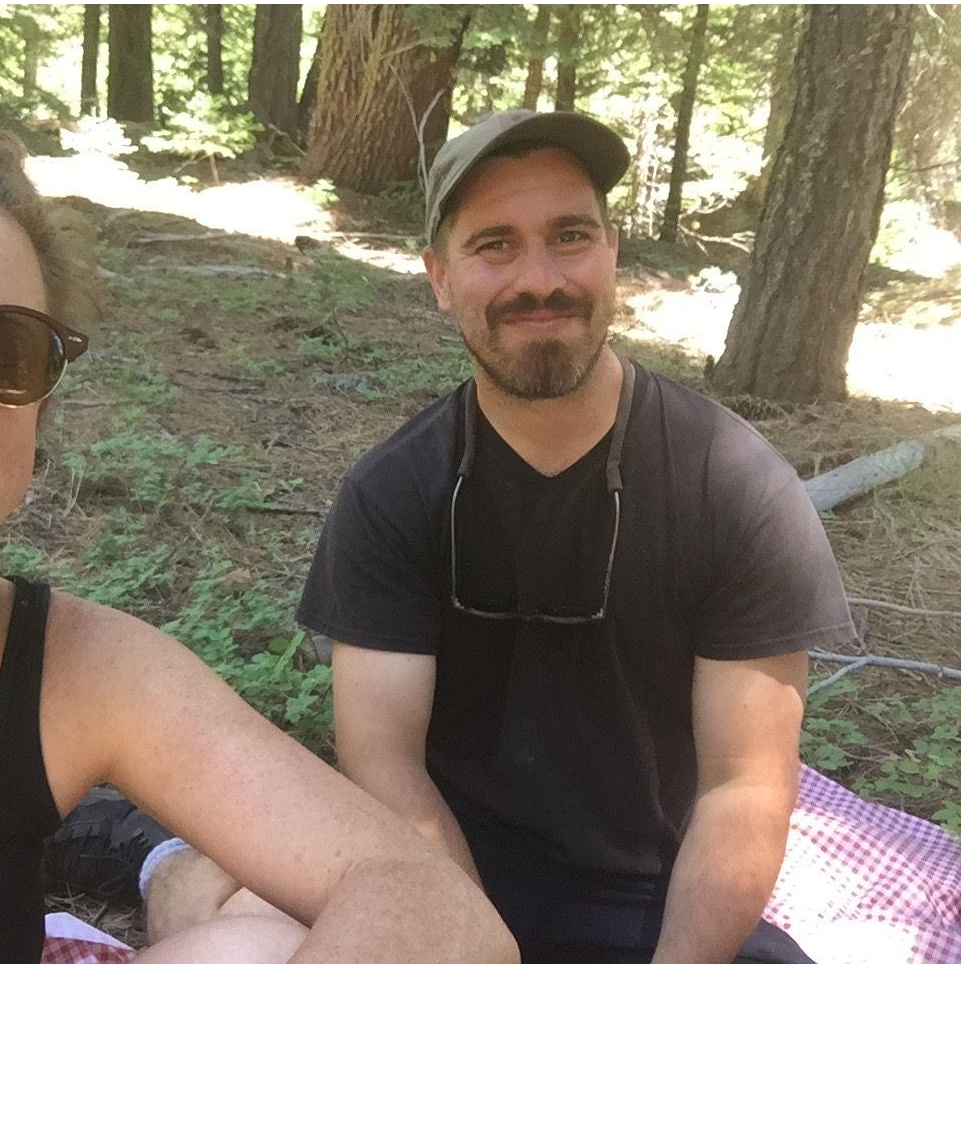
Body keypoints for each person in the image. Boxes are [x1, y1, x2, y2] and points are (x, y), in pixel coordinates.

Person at [0, 109, 517, 964]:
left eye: (3, 349)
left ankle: (156, 864)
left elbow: (438, 906)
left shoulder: (64, 668)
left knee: (258, 953)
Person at [145, 109, 857, 963]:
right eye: (495, 245)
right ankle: (157, 856)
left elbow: (746, 787)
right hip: (441, 864)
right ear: (440, 278)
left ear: (612, 253)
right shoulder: (393, 493)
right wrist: (480, 963)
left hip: (653, 897)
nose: (539, 279)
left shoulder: (735, 487)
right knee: (233, 946)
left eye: (570, 236)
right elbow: (386, 765)